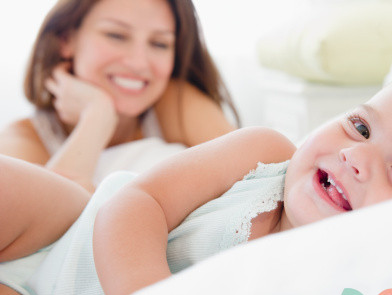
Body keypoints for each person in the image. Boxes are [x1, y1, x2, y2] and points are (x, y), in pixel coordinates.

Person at [0, 69, 392, 295]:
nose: (356, 157)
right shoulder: (265, 155)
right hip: (65, 228)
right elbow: (136, 203)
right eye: (361, 126)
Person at [0, 0, 239, 192]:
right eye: (116, 35)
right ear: (66, 39)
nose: (138, 63)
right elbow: (48, 231)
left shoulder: (173, 102)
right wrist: (97, 117)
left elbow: (255, 175)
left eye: (159, 43)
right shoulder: (21, 142)